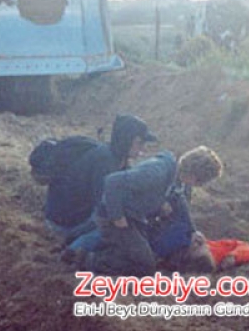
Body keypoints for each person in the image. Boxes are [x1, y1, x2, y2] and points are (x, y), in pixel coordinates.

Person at [87, 145, 224, 277]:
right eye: (200, 181)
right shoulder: (156, 172)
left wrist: (193, 231)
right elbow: (112, 182)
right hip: (113, 218)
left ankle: (117, 249)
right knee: (146, 266)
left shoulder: (177, 178)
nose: (197, 185)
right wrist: (117, 217)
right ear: (195, 175)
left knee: (148, 253)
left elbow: (179, 201)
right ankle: (87, 259)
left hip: (137, 219)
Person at [31, 115, 157, 250]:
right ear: (127, 140)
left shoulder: (116, 157)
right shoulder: (105, 163)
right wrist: (71, 237)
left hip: (68, 216)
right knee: (114, 230)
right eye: (139, 142)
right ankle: (73, 250)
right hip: (64, 223)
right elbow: (102, 212)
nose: (142, 148)